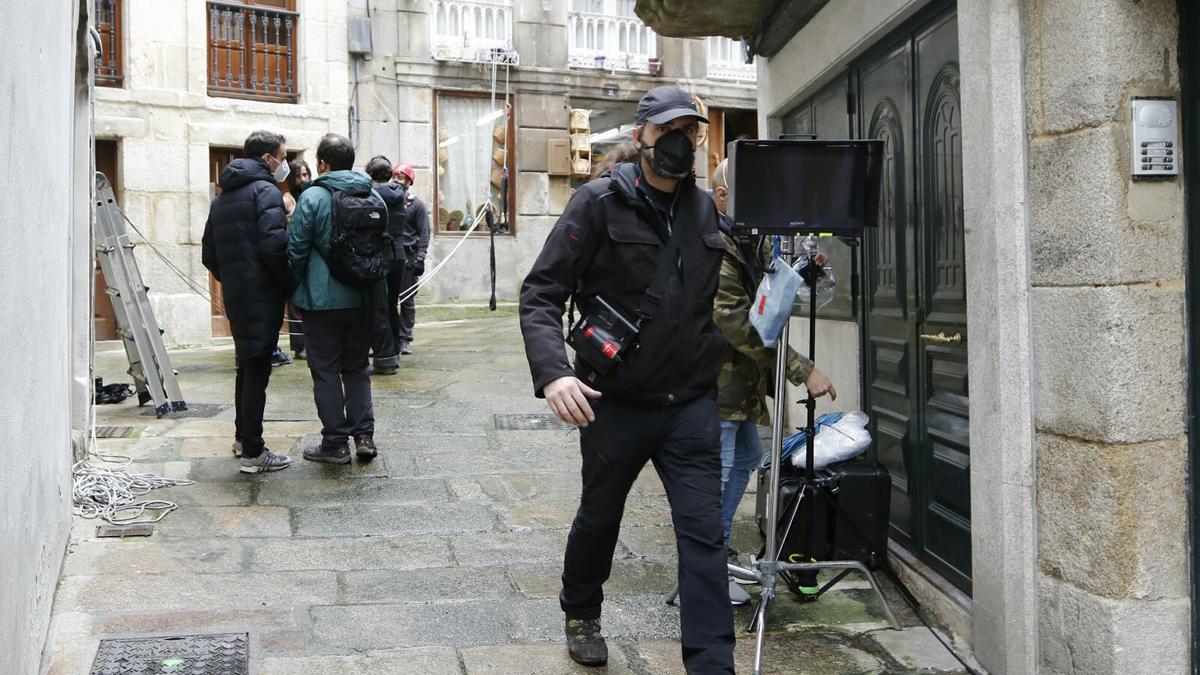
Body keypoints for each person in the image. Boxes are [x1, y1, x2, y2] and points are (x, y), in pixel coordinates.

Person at [519, 86, 734, 673]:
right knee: (601, 515)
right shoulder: (595, 203)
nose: (679, 142)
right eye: (667, 130)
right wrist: (553, 375)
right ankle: (582, 611)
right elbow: (540, 294)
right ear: (640, 136)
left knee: (703, 535)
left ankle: (713, 664)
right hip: (613, 403)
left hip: (689, 403)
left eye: (690, 132)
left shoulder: (705, 210)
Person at [708, 159, 837, 605]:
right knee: (718, 476)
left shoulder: (744, 238)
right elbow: (738, 324)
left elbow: (777, 279)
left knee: (747, 455)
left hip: (738, 386)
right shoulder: (712, 243)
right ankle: (704, 576)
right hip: (715, 385)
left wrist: (806, 268)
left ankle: (716, 555)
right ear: (722, 195)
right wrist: (803, 370)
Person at [288, 133, 385, 464]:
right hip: (363, 297)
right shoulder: (373, 195)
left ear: (322, 164)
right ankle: (364, 436)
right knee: (357, 367)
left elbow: (297, 249)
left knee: (326, 369)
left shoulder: (312, 197)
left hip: (322, 300)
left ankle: (335, 443)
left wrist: (293, 290)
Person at [201, 130, 294, 474]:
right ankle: (253, 452)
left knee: (246, 363)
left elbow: (208, 253)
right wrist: (287, 283)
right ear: (268, 157)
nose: (284, 164)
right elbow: (274, 246)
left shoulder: (222, 198)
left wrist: (235, 278)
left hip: (238, 295)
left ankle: (243, 438)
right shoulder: (266, 191)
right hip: (262, 294)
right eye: (282, 157)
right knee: (257, 370)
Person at [365, 155, 406, 375]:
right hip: (398, 253)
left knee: (378, 305)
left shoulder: (372, 192)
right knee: (392, 305)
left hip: (381, 253)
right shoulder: (398, 193)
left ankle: (386, 352)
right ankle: (395, 349)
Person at [391, 163, 430, 355]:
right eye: (395, 176)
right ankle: (392, 338)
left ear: (409, 181)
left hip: (408, 257)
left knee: (407, 300)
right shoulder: (388, 201)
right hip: (390, 256)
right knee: (389, 300)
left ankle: (405, 338)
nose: (397, 180)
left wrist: (421, 257)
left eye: (401, 177)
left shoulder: (416, 205)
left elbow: (424, 232)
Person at [281, 158, 312, 361]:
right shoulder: (286, 199)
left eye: (305, 174)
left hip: (311, 255)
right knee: (295, 303)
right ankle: (299, 346)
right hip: (293, 255)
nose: (302, 179)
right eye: (298, 175)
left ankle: (311, 342)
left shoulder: (313, 194)